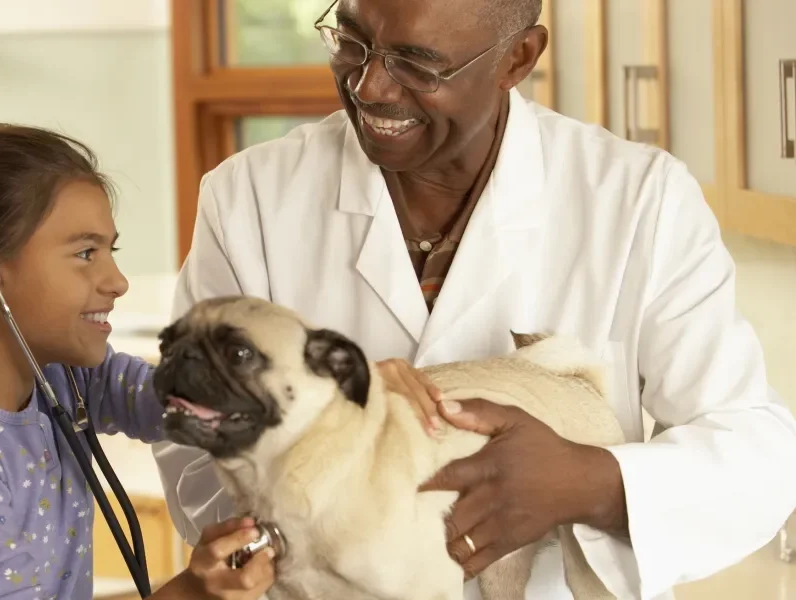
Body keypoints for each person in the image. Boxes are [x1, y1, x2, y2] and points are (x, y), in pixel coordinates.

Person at [152, 0, 796, 598]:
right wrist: (308, 513)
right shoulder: (250, 197)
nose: (370, 85)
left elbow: (757, 453)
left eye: (417, 63)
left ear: (517, 59)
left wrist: (587, 484)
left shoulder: (639, 200)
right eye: (351, 40)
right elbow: (185, 430)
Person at [0, 124, 277, 600]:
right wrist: (193, 592)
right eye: (85, 253)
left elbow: (171, 402)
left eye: (112, 250)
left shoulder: (61, 374)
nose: (117, 281)